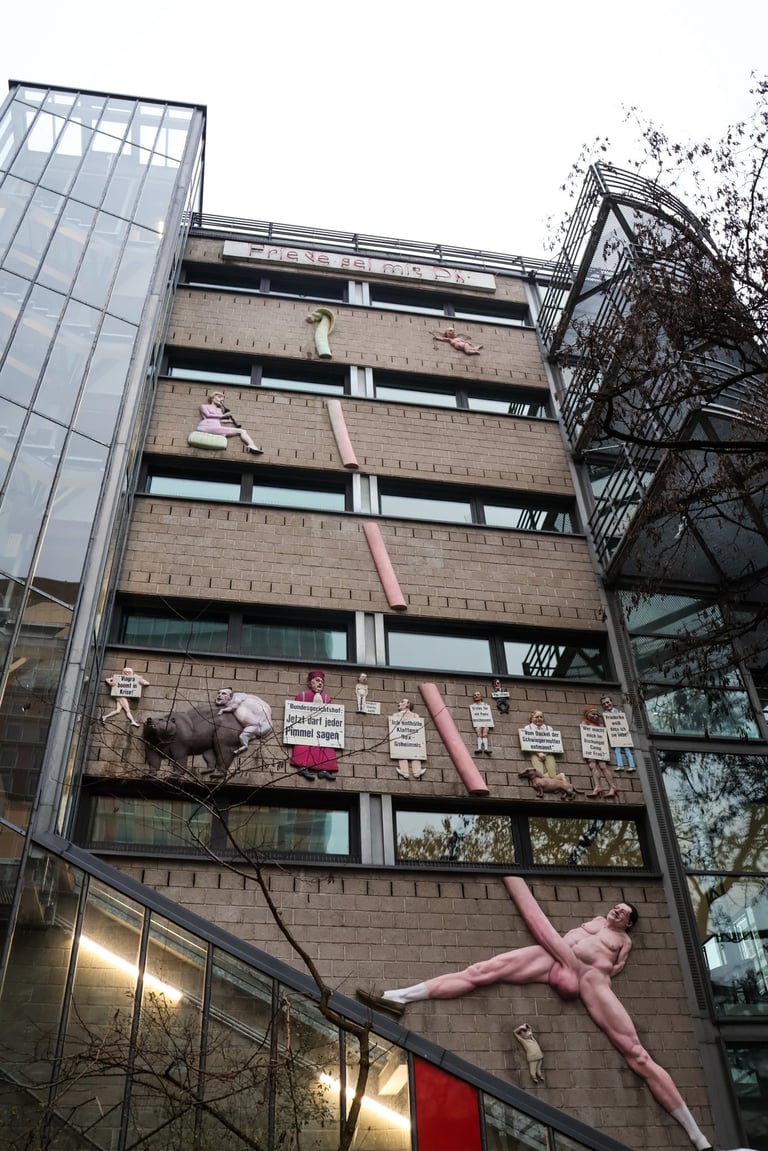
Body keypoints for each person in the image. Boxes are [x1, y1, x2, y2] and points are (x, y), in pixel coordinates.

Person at [357, 878, 713, 1151]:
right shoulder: (593, 922)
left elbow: (613, 970)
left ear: (629, 924)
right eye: (615, 907)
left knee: (637, 1054)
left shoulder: (624, 943)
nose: (616, 912)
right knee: (481, 971)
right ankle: (401, 996)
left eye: (624, 913)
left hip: (590, 980)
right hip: (552, 958)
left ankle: (697, 1137)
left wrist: (585, 972)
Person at [290, 670, 338, 781]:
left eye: (322, 681)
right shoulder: (302, 696)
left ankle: (324, 770)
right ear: (310, 682)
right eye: (317, 680)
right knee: (303, 745)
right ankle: (303, 767)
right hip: (306, 729)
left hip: (321, 729)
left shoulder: (326, 698)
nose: (320, 683)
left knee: (326, 746)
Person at [195, 391, 263, 454]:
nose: (221, 400)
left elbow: (218, 420)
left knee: (242, 431)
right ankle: (251, 445)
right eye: (219, 398)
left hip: (215, 427)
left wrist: (228, 421)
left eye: (222, 400)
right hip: (206, 426)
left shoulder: (219, 410)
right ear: (212, 398)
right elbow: (208, 415)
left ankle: (252, 445)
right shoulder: (204, 406)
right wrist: (223, 416)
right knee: (241, 431)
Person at [215, 687, 273, 753]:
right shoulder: (235, 701)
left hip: (260, 725)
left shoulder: (237, 699)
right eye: (219, 693)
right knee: (243, 736)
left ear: (230, 697)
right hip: (254, 726)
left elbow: (233, 707)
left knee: (244, 735)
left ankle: (246, 743)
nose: (219, 695)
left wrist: (223, 710)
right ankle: (245, 744)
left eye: (223, 694)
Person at [582, 705, 618, 798]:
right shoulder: (585, 723)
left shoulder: (600, 725)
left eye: (596, 714)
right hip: (591, 747)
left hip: (599, 747)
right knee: (593, 766)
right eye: (592, 714)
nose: (595, 716)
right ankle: (598, 786)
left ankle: (612, 786)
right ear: (587, 715)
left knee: (603, 766)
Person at [389, 697, 427, 779]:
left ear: (408, 705)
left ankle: (417, 771)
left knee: (415, 750)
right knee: (401, 749)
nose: (399, 704)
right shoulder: (396, 715)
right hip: (401, 737)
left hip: (412, 738)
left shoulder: (415, 716)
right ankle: (404, 771)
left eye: (402, 702)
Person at [600, 694, 636, 771]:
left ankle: (632, 766)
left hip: (622, 734)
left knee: (627, 750)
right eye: (604, 704)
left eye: (607, 702)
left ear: (611, 702)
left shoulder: (619, 712)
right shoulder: (605, 714)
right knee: (617, 750)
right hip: (614, 736)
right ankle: (620, 765)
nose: (606, 705)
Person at [522, 710, 559, 778]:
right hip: (535, 753)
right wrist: (539, 753)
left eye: (541, 717)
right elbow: (528, 742)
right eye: (537, 717)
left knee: (552, 774)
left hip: (547, 753)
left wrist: (545, 754)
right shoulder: (528, 728)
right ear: (531, 719)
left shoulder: (549, 729)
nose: (539, 718)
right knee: (540, 774)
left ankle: (560, 777)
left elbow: (552, 742)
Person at [470, 690, 492, 756]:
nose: (476, 696)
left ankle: (486, 748)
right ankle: (479, 748)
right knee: (478, 733)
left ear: (481, 696)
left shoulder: (485, 705)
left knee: (485, 734)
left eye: (478, 694)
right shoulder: (473, 706)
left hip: (485, 721)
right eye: (475, 695)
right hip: (478, 721)